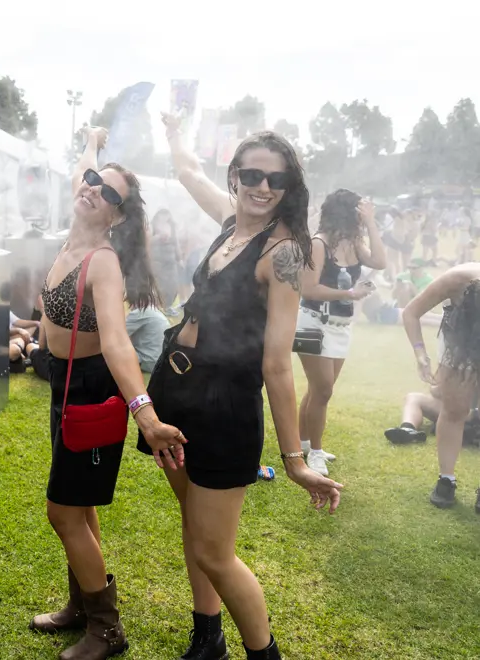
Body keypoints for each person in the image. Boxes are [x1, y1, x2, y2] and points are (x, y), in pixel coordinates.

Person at [145, 112, 343, 660]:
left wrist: (296, 459)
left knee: (216, 551)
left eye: (276, 180)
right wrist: (175, 132)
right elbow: (187, 172)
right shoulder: (232, 224)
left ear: (288, 189)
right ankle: (207, 637)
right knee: (194, 526)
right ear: (235, 175)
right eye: (252, 175)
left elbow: (277, 365)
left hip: (224, 405)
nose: (262, 187)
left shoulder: (282, 253)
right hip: (177, 391)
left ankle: (265, 654)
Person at [29, 125, 185, 660]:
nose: (93, 188)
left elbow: (118, 344)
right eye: (93, 181)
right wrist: (93, 145)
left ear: (116, 215)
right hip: (63, 383)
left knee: (63, 512)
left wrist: (145, 414)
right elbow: (82, 173)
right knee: (81, 505)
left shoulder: (103, 262)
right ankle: (80, 605)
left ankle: (107, 629)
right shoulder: (74, 237)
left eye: (108, 192)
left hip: (93, 389)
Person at [296, 189, 386, 476]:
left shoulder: (355, 243)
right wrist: (351, 292)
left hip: (339, 327)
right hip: (311, 322)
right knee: (323, 390)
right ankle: (316, 453)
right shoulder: (319, 243)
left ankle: (304, 443)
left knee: (318, 390)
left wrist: (372, 224)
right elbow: (308, 288)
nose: (362, 219)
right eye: (360, 214)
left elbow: (380, 262)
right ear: (348, 213)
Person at [401, 262, 480, 511]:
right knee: (455, 410)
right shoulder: (457, 278)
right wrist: (420, 354)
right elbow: (411, 312)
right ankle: (447, 479)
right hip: (459, 352)